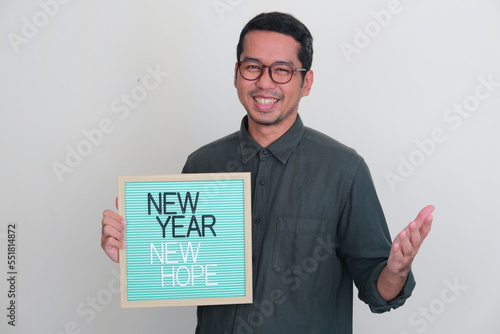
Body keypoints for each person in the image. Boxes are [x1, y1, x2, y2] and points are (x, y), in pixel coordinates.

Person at [101, 12, 434, 334]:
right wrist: (136, 254)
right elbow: (186, 270)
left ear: (307, 82)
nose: (264, 82)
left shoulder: (345, 170)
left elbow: (379, 292)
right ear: (236, 74)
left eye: (282, 71)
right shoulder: (202, 164)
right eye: (252, 67)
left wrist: (396, 270)